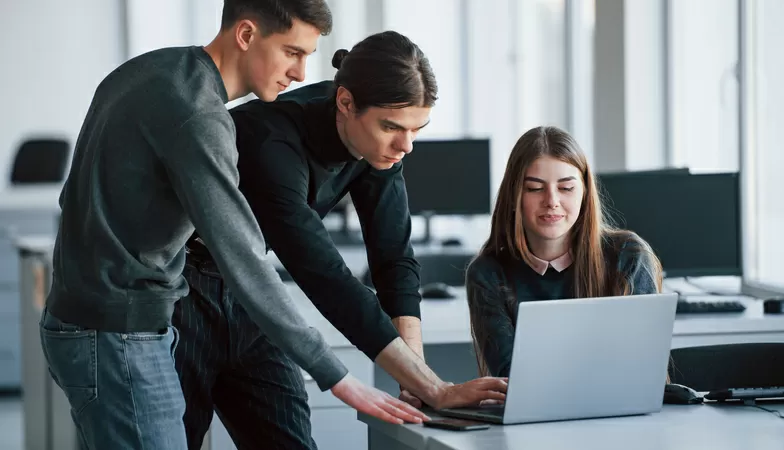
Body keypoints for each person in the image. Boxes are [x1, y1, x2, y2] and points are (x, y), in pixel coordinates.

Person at [38, 1, 423, 449]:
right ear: (245, 34)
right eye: (292, 52)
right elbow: (245, 258)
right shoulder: (201, 116)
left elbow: (75, 196)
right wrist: (337, 376)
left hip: (105, 318)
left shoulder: (152, 70)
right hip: (119, 327)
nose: (301, 73)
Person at [174, 30, 508, 449]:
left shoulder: (379, 147)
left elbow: (394, 261)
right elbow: (326, 278)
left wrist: (416, 378)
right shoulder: (270, 140)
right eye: (392, 127)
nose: (406, 146)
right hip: (183, 289)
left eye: (416, 129)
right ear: (346, 102)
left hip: (250, 292)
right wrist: (436, 387)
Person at [467, 126, 664, 378]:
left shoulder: (628, 256)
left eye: (566, 188)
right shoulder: (488, 273)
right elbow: (513, 379)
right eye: (535, 188)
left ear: (584, 194)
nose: (551, 201)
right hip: (535, 415)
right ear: (514, 196)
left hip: (624, 411)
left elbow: (643, 365)